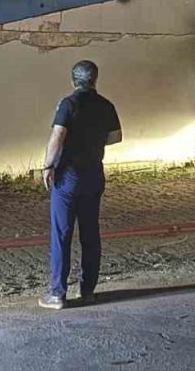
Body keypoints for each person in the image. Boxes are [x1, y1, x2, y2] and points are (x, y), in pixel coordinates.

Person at [39, 59, 122, 310]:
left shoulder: (68, 104)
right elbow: (116, 137)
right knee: (90, 233)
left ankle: (57, 294)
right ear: (95, 79)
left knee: (62, 234)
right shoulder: (106, 105)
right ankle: (88, 291)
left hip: (68, 177)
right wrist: (91, 141)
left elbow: (58, 135)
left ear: (73, 80)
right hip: (94, 175)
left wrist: (48, 165)